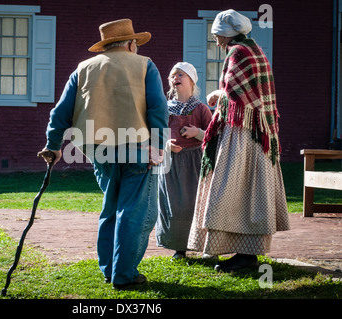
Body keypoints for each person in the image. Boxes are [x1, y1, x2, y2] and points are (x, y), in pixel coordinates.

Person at [38, 19, 168, 289]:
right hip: (138, 149)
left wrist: (53, 145)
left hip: (100, 150)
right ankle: (125, 274)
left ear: (106, 45)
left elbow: (59, 114)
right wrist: (158, 145)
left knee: (111, 210)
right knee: (133, 212)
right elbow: (157, 110)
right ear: (132, 44)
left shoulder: (83, 69)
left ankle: (109, 269)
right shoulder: (145, 65)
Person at [187, 9, 290, 272]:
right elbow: (247, 92)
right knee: (251, 190)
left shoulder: (238, 52)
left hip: (243, 132)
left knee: (231, 186)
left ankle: (245, 256)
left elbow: (234, 94)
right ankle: (246, 253)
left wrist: (217, 95)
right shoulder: (254, 49)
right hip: (260, 132)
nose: (215, 41)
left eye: (216, 35)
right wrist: (223, 95)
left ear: (226, 34)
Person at [156, 62, 212, 259]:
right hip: (170, 162)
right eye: (173, 75)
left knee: (195, 203)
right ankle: (179, 247)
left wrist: (197, 133)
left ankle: (205, 245)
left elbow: (214, 136)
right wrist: (166, 145)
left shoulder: (201, 109)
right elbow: (155, 133)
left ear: (191, 80)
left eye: (181, 74)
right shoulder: (164, 108)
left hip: (194, 162)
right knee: (173, 203)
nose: (175, 77)